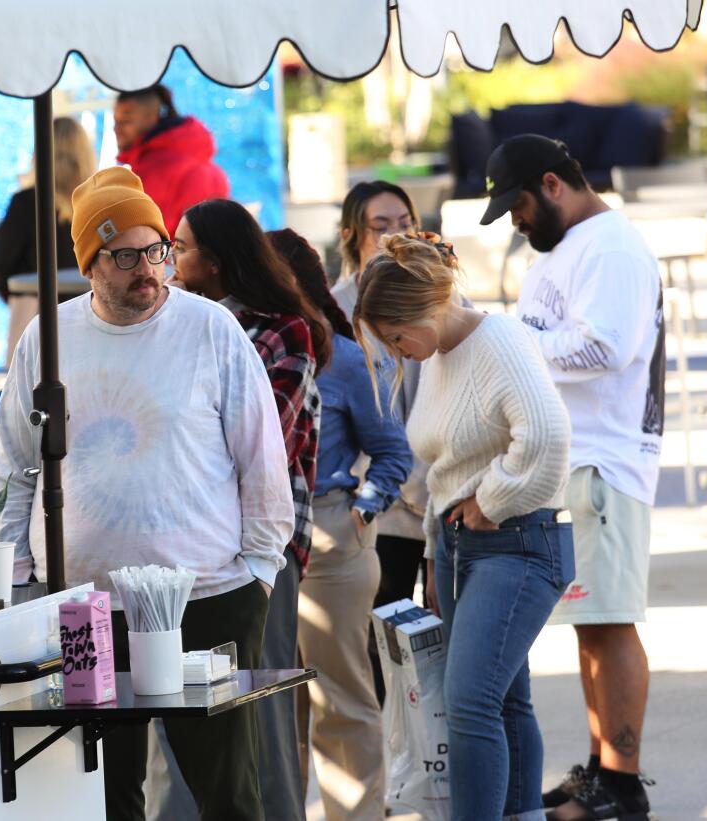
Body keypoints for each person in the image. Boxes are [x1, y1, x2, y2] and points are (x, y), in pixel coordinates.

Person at [0, 167, 293, 821]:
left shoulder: (211, 330)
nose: (147, 268)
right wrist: (22, 581)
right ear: (89, 263)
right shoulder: (47, 338)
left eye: (156, 249)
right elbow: (13, 469)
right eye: (124, 255)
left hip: (210, 596)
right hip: (80, 608)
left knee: (229, 792)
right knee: (97, 789)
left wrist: (260, 572)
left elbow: (263, 461)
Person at [355, 233, 574, 821]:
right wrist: (435, 552)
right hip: (461, 546)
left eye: (397, 337)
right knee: (502, 700)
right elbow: (444, 470)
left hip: (518, 541)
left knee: (470, 702)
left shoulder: (498, 341)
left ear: (423, 310)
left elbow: (549, 437)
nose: (397, 352)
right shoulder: (441, 358)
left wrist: (493, 499)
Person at [479, 134, 664, 821]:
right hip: (579, 463)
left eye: (519, 204)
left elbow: (604, 345)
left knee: (609, 620)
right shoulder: (575, 248)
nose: (517, 220)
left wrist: (506, 339)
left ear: (554, 184)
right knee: (591, 622)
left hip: (602, 462)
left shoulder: (609, 247)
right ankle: (601, 773)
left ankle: (620, 784)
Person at [152, 199, 327, 820]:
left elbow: (258, 448)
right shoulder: (172, 325)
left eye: (182, 245)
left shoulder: (282, 331)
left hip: (258, 555)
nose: (168, 258)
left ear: (219, 262)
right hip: (180, 552)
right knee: (176, 721)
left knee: (260, 719)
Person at [273, 227, 413, 821]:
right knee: (277, 707)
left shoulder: (344, 356)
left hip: (330, 538)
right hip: (259, 542)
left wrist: (362, 509)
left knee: (340, 701)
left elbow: (394, 453)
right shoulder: (238, 343)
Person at [330, 180, 431, 703]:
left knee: (436, 649)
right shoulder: (336, 309)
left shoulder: (442, 293)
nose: (397, 234)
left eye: (405, 221)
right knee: (380, 646)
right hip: (381, 500)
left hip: (440, 493)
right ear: (352, 235)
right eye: (381, 225)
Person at [0, 116, 96, 302]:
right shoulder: (102, 204)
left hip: (43, 319)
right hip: (95, 314)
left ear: (40, 153)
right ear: (86, 155)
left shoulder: (27, 204)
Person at [114, 84, 230, 234]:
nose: (116, 128)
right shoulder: (208, 164)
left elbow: (140, 237)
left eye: (126, 121)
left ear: (151, 117)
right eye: (116, 121)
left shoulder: (153, 168)